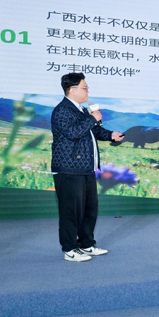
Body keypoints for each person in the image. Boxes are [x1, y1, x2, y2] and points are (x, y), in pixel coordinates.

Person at [51, 73, 124, 261]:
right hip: (69, 169)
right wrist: (92, 118)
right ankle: (69, 249)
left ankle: (87, 244)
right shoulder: (62, 110)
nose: (87, 92)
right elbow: (73, 132)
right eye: (85, 88)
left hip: (86, 168)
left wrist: (111, 135)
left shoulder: (82, 110)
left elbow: (94, 131)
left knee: (89, 210)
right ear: (72, 89)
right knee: (71, 211)